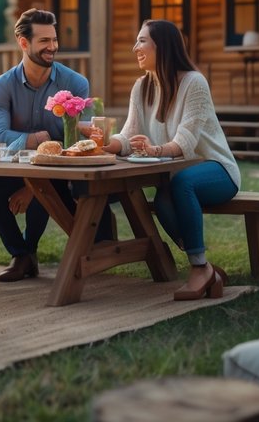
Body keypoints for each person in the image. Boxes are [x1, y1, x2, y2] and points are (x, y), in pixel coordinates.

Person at [99, 19, 239, 300]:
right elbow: (129, 136)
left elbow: (185, 142)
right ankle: (207, 269)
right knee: (163, 201)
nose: (134, 47)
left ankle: (199, 269)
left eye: (142, 41)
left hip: (216, 170)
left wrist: (155, 151)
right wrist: (103, 141)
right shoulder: (142, 87)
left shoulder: (193, 83)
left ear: (161, 46)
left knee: (181, 184)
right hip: (176, 178)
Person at [0, 8, 113, 282]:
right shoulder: (2, 86)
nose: (52, 47)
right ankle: (21, 253)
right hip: (15, 170)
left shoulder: (75, 83)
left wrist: (31, 186)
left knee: (45, 187)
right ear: (23, 43)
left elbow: (80, 142)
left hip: (60, 173)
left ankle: (27, 254)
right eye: (44, 41)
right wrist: (37, 139)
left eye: (54, 39)